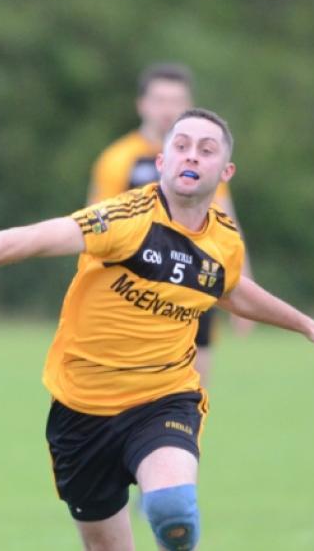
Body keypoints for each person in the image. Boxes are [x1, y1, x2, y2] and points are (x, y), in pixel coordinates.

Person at [0, 109, 314, 551]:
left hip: (164, 396)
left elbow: (232, 290)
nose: (192, 157)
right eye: (181, 147)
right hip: (81, 407)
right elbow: (39, 236)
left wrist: (309, 328)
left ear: (226, 171)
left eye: (206, 150)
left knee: (173, 512)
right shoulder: (125, 219)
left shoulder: (224, 241)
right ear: (162, 162)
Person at [88, 63, 252, 385]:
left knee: (193, 394)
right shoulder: (118, 158)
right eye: (160, 100)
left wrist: (242, 285)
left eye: (176, 101)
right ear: (142, 105)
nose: (167, 109)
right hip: (130, 295)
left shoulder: (204, 160)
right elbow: (93, 226)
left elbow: (227, 223)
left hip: (192, 284)